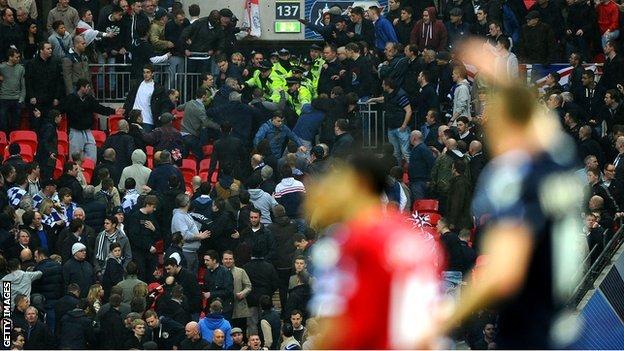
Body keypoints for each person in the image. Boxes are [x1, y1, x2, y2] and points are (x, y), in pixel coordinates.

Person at [306, 154, 441, 349]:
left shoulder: (347, 244)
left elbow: (332, 327)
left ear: (358, 185)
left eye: (337, 182)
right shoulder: (412, 240)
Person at [63, 78, 120, 162]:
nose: (89, 89)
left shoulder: (90, 99)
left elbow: (100, 108)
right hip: (75, 132)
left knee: (93, 157)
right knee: (75, 158)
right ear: (82, 87)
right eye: (87, 87)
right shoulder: (70, 99)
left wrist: (114, 111)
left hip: (88, 131)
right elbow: (61, 109)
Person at [366, 78, 412, 165]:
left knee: (405, 152)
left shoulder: (400, 95)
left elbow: (409, 111)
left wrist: (404, 125)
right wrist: (373, 99)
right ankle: (397, 172)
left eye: (383, 84)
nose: (382, 86)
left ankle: (412, 173)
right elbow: (383, 99)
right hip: (391, 127)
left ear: (388, 86)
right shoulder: (389, 94)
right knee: (395, 153)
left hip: (400, 127)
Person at [171, 193, 210, 274]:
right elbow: (184, 235)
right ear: (187, 203)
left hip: (192, 252)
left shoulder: (185, 214)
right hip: (186, 252)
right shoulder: (179, 216)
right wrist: (199, 236)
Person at [123, 64, 169, 132]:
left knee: (145, 140)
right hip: (133, 119)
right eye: (144, 72)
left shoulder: (158, 88)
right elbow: (129, 99)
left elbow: (166, 103)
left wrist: (161, 115)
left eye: (148, 72)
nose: (145, 74)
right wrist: (125, 110)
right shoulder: (137, 84)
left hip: (148, 121)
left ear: (152, 74)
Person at [203, 250, 234, 319]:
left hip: (224, 309)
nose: (205, 262)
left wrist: (211, 294)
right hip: (210, 308)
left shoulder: (225, 272)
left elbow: (228, 291)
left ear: (214, 260)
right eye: (204, 260)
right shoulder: (207, 272)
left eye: (207, 260)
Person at [0, 48, 25, 133]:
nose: (18, 59)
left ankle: (13, 142)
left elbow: (23, 85)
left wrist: (21, 99)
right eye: (16, 57)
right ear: (10, 57)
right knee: (3, 123)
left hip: (16, 99)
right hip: (4, 99)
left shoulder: (21, 68)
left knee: (15, 124)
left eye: (19, 57)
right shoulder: (2, 67)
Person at [408, 130, 435, 200]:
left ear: (414, 138)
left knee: (420, 204)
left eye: (410, 137)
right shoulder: (418, 149)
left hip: (419, 182)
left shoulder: (422, 149)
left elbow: (431, 164)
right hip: (416, 181)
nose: (409, 139)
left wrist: (429, 179)